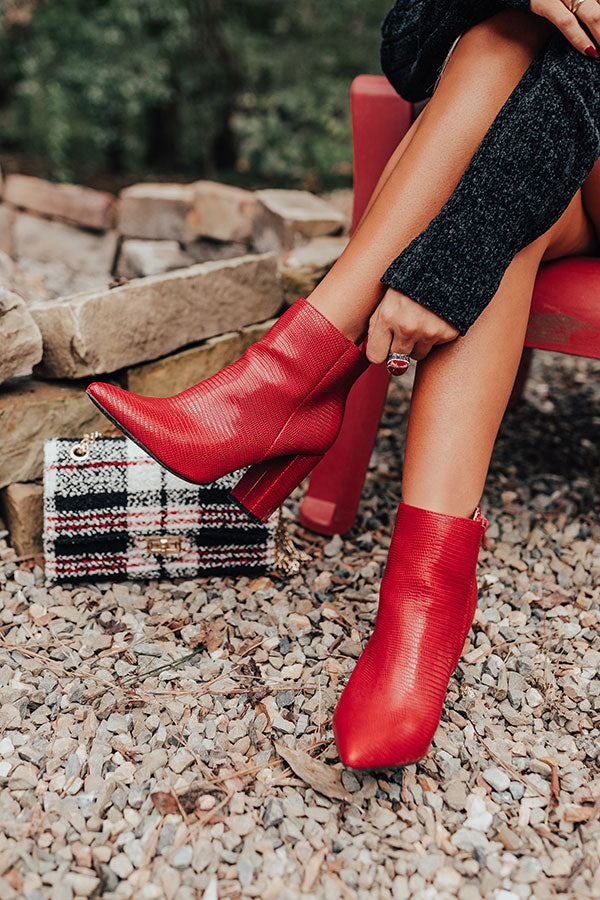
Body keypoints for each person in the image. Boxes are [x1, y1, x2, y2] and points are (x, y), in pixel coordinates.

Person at [86, 0, 600, 769]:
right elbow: (407, 45)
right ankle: (422, 592)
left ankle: (285, 383)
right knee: (503, 30)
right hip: (551, 168)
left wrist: (452, 259)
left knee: (530, 77)